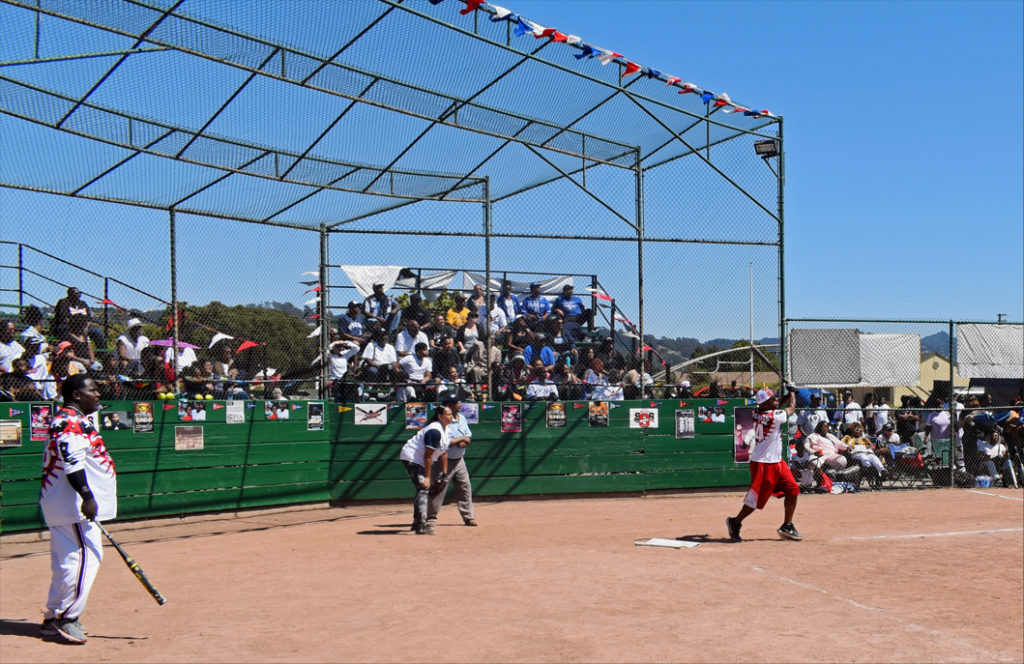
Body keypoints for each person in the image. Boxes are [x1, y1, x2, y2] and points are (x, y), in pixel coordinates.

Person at [38, 375, 117, 644]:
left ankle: (53, 618)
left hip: (65, 504)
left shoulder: (70, 419)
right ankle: (66, 618)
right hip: (73, 505)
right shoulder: (71, 421)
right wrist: (87, 496)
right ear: (75, 396)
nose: (97, 394)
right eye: (91, 390)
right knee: (86, 557)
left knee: (68, 562)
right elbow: (72, 461)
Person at [726, 384, 802, 542]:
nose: (775, 399)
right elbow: (791, 408)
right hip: (763, 463)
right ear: (765, 403)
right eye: (771, 398)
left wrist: (788, 393)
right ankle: (735, 521)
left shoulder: (757, 411)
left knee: (793, 489)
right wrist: (793, 393)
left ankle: (787, 524)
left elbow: (776, 405)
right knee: (755, 500)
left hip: (776, 461)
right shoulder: (775, 416)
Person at [399, 404, 452, 535]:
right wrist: (427, 477)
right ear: (440, 416)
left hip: (421, 459)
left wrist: (444, 473)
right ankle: (420, 525)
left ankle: (417, 523)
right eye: (448, 414)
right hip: (411, 457)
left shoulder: (446, 430)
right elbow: (427, 456)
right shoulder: (434, 430)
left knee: (423, 489)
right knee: (423, 487)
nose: (451, 416)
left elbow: (444, 452)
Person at [427, 396, 477, 528]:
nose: (459, 403)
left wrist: (461, 441)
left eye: (460, 401)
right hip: (443, 460)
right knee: (438, 488)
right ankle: (431, 517)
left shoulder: (463, 418)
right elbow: (445, 442)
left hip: (459, 460)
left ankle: (468, 517)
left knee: (465, 487)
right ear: (448, 405)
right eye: (456, 402)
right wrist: (460, 440)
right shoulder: (441, 421)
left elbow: (468, 437)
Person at [842, 421, 886, 488]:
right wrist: (847, 446)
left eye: (861, 430)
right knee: (863, 456)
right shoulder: (848, 437)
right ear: (852, 430)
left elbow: (871, 446)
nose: (860, 432)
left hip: (867, 452)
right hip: (856, 452)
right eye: (857, 430)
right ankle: (868, 468)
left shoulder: (864, 439)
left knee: (874, 457)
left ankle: (882, 471)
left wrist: (870, 446)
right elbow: (841, 444)